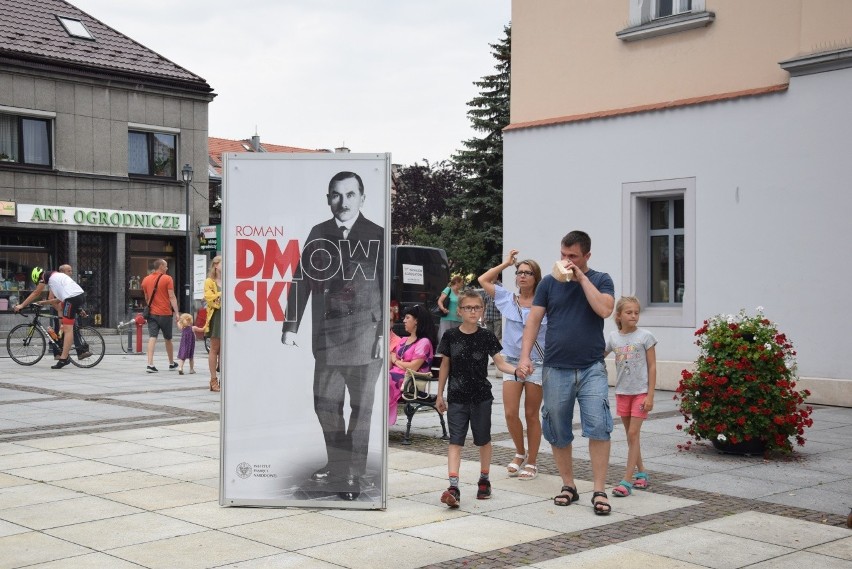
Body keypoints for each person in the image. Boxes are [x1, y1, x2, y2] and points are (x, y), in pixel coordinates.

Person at [282, 171, 383, 501]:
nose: (343, 202)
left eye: (350, 195)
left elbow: (388, 290)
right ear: (328, 199)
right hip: (328, 337)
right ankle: (339, 465)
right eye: (336, 195)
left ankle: (352, 474)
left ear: (362, 198)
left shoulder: (378, 235)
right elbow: (301, 280)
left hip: (368, 339)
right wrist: (290, 325)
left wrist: (384, 332)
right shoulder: (319, 232)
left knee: (362, 408)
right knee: (325, 404)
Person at [518, 230, 615, 515]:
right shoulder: (548, 283)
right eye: (563, 254)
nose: (566, 260)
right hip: (556, 367)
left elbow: (605, 310)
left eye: (572, 256)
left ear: (586, 256)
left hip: (591, 366)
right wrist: (525, 356)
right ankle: (569, 486)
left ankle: (599, 489)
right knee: (557, 427)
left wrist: (581, 278)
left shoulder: (600, 279)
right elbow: (533, 321)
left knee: (598, 424)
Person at [435, 289, 521, 508]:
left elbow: (500, 363)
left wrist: (517, 370)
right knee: (456, 441)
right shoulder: (450, 336)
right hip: (457, 397)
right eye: (468, 308)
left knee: (483, 439)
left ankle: (484, 479)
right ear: (460, 310)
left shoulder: (487, 336)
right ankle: (453, 485)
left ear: (482, 310)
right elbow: (445, 365)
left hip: (481, 396)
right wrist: (439, 394)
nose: (473, 311)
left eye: (477, 307)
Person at [478, 249, 546, 480]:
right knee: (509, 412)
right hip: (512, 362)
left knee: (531, 414)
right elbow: (483, 280)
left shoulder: (545, 303)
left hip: (538, 362)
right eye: (520, 272)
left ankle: (533, 461)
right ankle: (520, 452)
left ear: (536, 277)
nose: (522, 276)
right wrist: (506, 263)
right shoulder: (508, 299)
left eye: (528, 273)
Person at [605, 296, 657, 497]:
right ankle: (641, 473)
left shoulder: (646, 336)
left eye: (636, 312)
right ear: (618, 315)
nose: (634, 315)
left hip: (640, 393)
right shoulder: (613, 337)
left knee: (633, 434)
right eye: (629, 312)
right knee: (630, 436)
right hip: (622, 392)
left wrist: (650, 395)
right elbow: (598, 355)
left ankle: (627, 481)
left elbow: (652, 367)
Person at [13, 266, 90, 369]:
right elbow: (59, 299)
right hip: (77, 297)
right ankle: (64, 354)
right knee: (66, 327)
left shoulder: (45, 276)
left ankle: (64, 359)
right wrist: (78, 309)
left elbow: (36, 292)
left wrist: (22, 305)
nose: (41, 283)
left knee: (67, 329)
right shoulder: (56, 279)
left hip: (71, 299)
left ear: (37, 277)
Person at [387, 304, 437, 426]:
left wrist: (395, 361)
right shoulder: (403, 340)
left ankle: (381, 421)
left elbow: (414, 367)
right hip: (397, 376)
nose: (404, 320)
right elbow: (391, 361)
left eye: (407, 317)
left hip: (412, 381)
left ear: (416, 321)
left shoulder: (424, 342)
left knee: (385, 381)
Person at [141, 259, 180, 373]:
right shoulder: (167, 278)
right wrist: (177, 312)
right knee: (168, 339)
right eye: (166, 266)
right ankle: (171, 363)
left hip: (152, 313)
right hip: (165, 313)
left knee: (152, 337)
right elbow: (172, 296)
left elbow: (147, 298)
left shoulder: (145, 280)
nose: (167, 268)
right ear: (161, 266)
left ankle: (150, 364)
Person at [203, 256, 222, 392]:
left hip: (228, 316)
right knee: (214, 348)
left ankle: (224, 379)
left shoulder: (229, 279)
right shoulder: (209, 281)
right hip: (216, 316)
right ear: (216, 265)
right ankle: (213, 379)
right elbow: (209, 299)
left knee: (225, 350)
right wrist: (222, 294)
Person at [436, 275, 463, 341]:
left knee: (457, 340)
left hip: (459, 320)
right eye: (461, 283)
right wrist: (442, 308)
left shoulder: (460, 293)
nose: (462, 284)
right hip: (447, 319)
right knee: (445, 339)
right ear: (457, 282)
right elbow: (440, 301)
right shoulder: (448, 290)